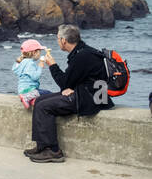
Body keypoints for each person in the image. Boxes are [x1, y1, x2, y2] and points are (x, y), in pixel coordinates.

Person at [25, 24, 113, 163]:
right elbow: (74, 81)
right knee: (40, 100)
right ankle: (42, 146)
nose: (57, 41)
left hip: (91, 99)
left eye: (57, 39)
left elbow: (64, 83)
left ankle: (53, 151)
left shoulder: (81, 56)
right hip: (89, 93)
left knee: (43, 107)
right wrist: (73, 86)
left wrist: (52, 65)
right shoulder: (83, 51)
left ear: (63, 41)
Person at [12, 38, 52, 108]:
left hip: (22, 89)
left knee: (43, 94)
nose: (40, 54)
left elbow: (15, 69)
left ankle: (32, 100)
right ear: (34, 52)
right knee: (48, 93)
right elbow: (35, 77)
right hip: (28, 90)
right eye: (39, 51)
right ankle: (27, 97)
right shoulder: (30, 63)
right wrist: (40, 66)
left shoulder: (23, 61)